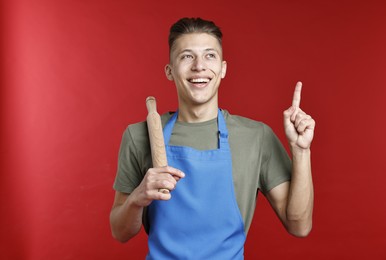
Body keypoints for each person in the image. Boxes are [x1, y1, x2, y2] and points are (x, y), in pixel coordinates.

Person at [110, 17, 315, 259]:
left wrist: (301, 151)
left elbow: (299, 226)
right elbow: (120, 231)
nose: (199, 66)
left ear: (223, 68)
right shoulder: (138, 136)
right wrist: (137, 198)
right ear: (169, 70)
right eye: (187, 56)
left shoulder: (255, 137)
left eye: (210, 55)